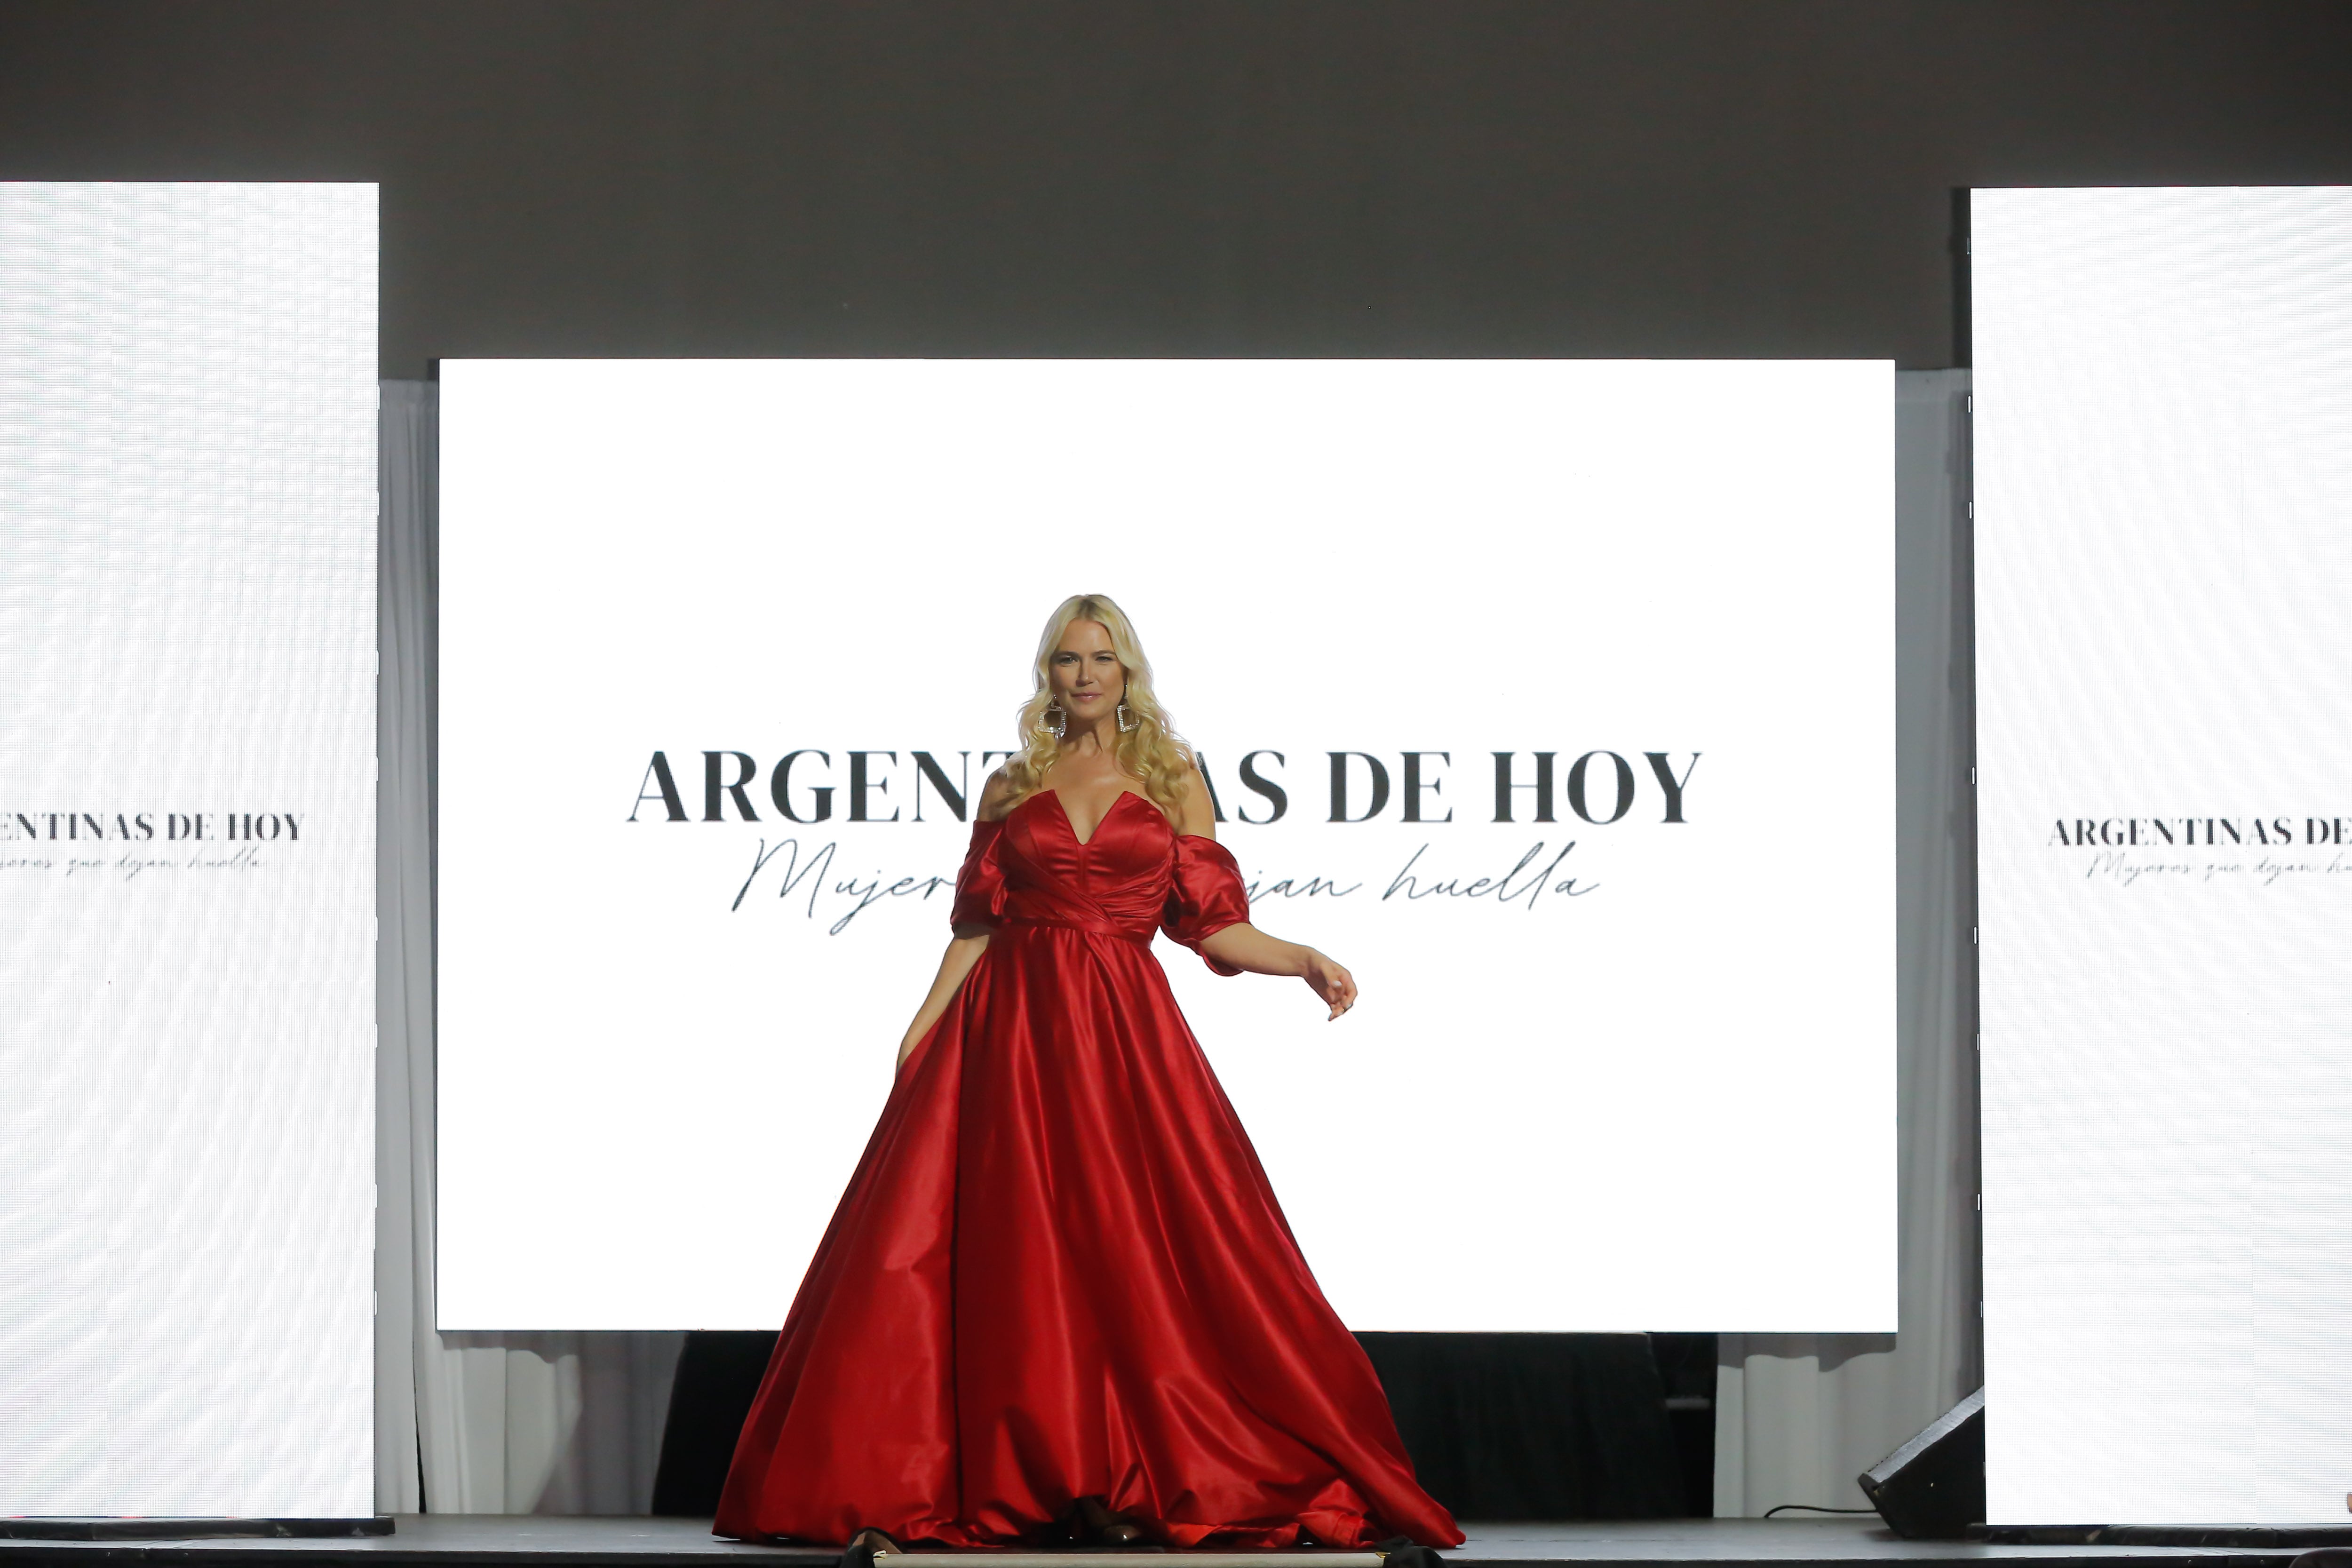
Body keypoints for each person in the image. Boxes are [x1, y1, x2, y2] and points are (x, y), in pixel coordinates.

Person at [714, 594, 1462, 1553]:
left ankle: (1119, 1470)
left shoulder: (1173, 776)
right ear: (1049, 673)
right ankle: (1040, 1472)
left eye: (1101, 657)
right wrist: (923, 1024)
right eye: (1067, 659)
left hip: (1118, 1032)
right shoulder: (1010, 783)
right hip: (1008, 1034)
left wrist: (1301, 955)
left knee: (1132, 1245)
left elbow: (1210, 923)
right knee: (1018, 1252)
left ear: (1127, 669)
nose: (1083, 674)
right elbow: (978, 926)